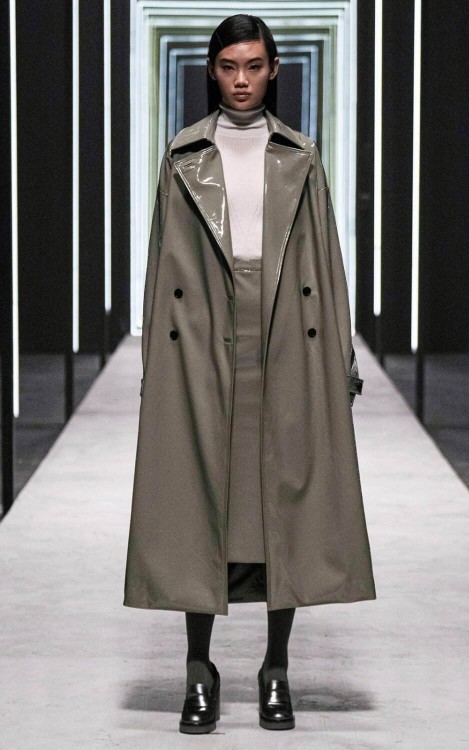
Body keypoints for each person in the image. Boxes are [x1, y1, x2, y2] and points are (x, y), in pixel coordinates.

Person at [123, 13, 376, 735]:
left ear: (273, 71)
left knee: (283, 504)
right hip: (204, 338)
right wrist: (154, 366)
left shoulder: (301, 155)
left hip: (284, 336)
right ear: (212, 70)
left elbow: (326, 262)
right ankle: (198, 670)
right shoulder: (182, 155)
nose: (241, 80)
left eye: (254, 66)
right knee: (196, 503)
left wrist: (340, 361)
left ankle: (276, 669)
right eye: (230, 66)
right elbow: (161, 265)